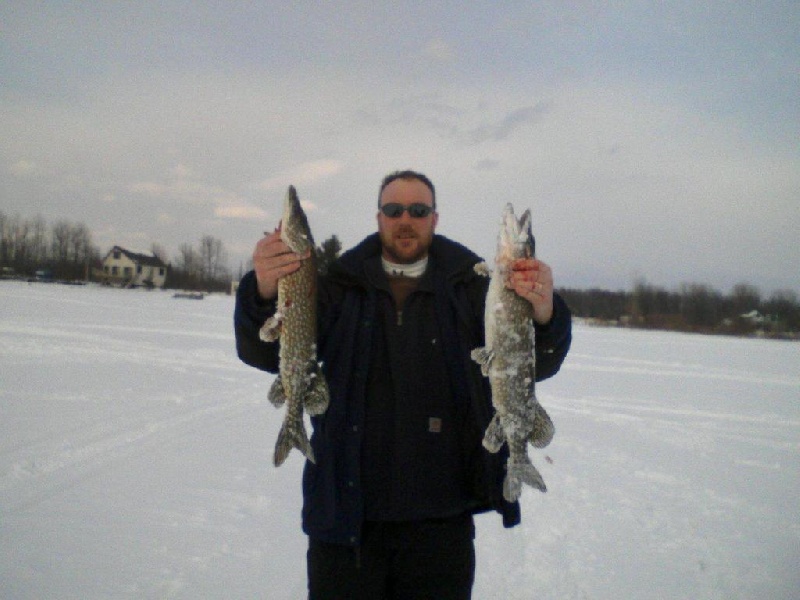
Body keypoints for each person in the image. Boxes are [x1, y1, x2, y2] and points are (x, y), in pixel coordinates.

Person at [234, 170, 571, 599]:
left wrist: (544, 314)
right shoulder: (338, 285)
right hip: (346, 520)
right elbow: (266, 353)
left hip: (441, 526)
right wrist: (263, 290)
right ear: (379, 217)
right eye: (394, 210)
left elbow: (532, 366)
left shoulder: (473, 287)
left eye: (418, 209)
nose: (405, 219)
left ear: (434, 217)